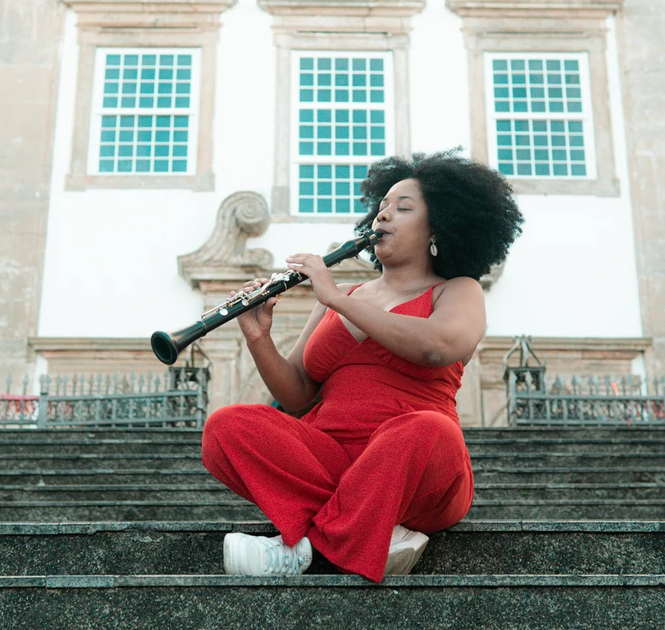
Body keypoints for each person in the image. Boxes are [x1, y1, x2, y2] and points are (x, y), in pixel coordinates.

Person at [201, 150, 524, 581]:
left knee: (426, 429)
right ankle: (370, 531)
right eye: (382, 206)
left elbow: (438, 346)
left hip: (416, 462)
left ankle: (304, 550)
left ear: (439, 226)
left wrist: (334, 299)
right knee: (227, 426)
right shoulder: (346, 295)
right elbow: (296, 393)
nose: (383, 216)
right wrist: (257, 336)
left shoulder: (457, 290)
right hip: (331, 459)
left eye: (402, 208)